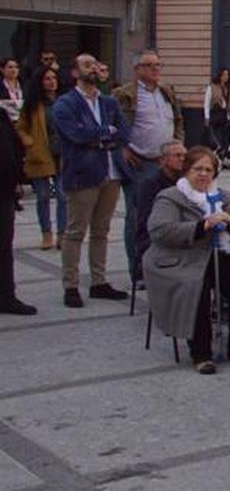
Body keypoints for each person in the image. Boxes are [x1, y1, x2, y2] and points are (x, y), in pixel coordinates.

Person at [145, 146, 230, 372]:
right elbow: (160, 230)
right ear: (186, 171)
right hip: (183, 257)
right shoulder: (170, 196)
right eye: (198, 169)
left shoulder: (222, 196)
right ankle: (201, 352)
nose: (203, 174)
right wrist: (202, 226)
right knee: (196, 288)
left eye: (208, 170)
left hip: (220, 252)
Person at [54, 54, 131, 309]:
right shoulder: (66, 103)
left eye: (96, 64)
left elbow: (123, 132)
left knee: (102, 231)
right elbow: (75, 134)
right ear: (75, 72)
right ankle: (71, 285)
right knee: (75, 231)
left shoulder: (108, 102)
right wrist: (104, 133)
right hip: (83, 173)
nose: (94, 68)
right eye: (87, 65)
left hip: (111, 173)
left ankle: (99, 281)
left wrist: (101, 137)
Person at [113, 49, 186, 283]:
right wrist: (123, 148)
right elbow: (113, 124)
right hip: (141, 162)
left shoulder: (166, 91)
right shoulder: (124, 94)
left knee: (171, 212)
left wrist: (178, 144)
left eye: (158, 65)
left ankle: (163, 265)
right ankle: (138, 269)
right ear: (137, 69)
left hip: (167, 161)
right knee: (138, 216)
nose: (156, 69)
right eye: (150, 65)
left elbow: (177, 119)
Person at [18, 67, 66, 250]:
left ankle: (62, 234)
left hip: (61, 154)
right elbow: (21, 126)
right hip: (40, 153)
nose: (51, 82)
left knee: (63, 195)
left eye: (54, 78)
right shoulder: (33, 104)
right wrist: (28, 141)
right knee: (43, 196)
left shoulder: (64, 101)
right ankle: (46, 233)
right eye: (47, 78)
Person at [132, 140, 185, 280]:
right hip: (158, 236)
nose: (182, 159)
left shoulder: (185, 181)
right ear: (163, 160)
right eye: (178, 155)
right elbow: (145, 221)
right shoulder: (150, 184)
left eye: (185, 156)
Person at [0, 109, 32, 313]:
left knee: (4, 245)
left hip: (4, 191)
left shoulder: (2, 116)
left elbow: (16, 147)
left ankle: (6, 296)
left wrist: (18, 178)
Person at [204, 68, 230, 162]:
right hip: (216, 114)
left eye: (227, 75)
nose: (226, 77)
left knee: (227, 136)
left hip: (227, 115)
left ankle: (225, 155)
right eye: (224, 75)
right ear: (219, 76)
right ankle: (219, 154)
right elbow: (207, 103)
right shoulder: (212, 87)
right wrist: (207, 117)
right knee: (217, 136)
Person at [0, 57, 24, 122]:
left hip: (23, 122)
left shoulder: (25, 85)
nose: (14, 70)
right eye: (10, 67)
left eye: (16, 67)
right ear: (2, 69)